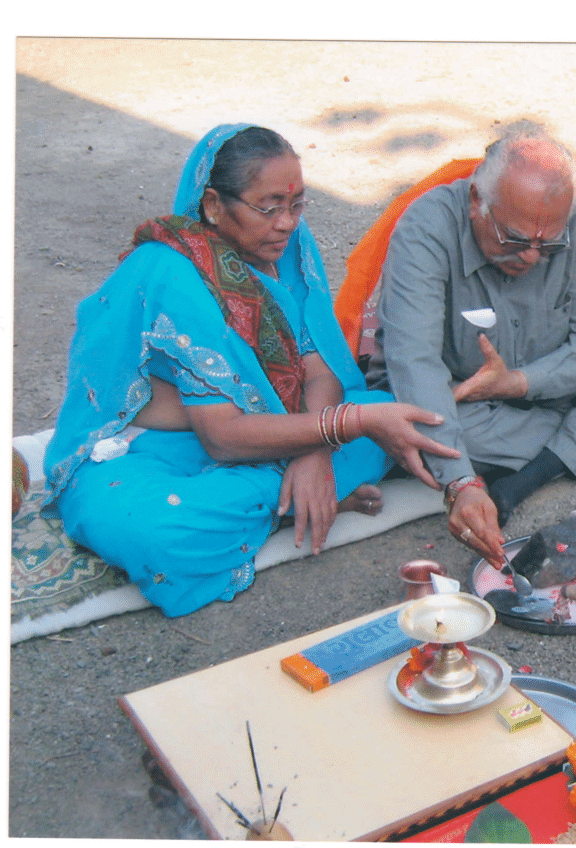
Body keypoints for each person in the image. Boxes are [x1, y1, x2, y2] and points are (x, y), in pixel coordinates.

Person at [42, 124, 460, 617]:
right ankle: (294, 505)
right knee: (156, 530)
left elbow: (318, 366)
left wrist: (314, 450)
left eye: (297, 205)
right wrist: (345, 425)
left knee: (391, 414)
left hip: (275, 427)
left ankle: (297, 496)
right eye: (269, 207)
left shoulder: (287, 243)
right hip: (159, 447)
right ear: (214, 205)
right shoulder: (177, 274)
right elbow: (222, 437)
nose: (287, 223)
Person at [366, 122, 576, 567]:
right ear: (476, 202)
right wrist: (461, 484)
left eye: (549, 244)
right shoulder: (426, 229)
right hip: (459, 400)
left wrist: (518, 383)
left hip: (545, 383)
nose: (531, 255)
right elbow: (416, 365)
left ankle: (526, 477)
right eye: (515, 239)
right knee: (412, 418)